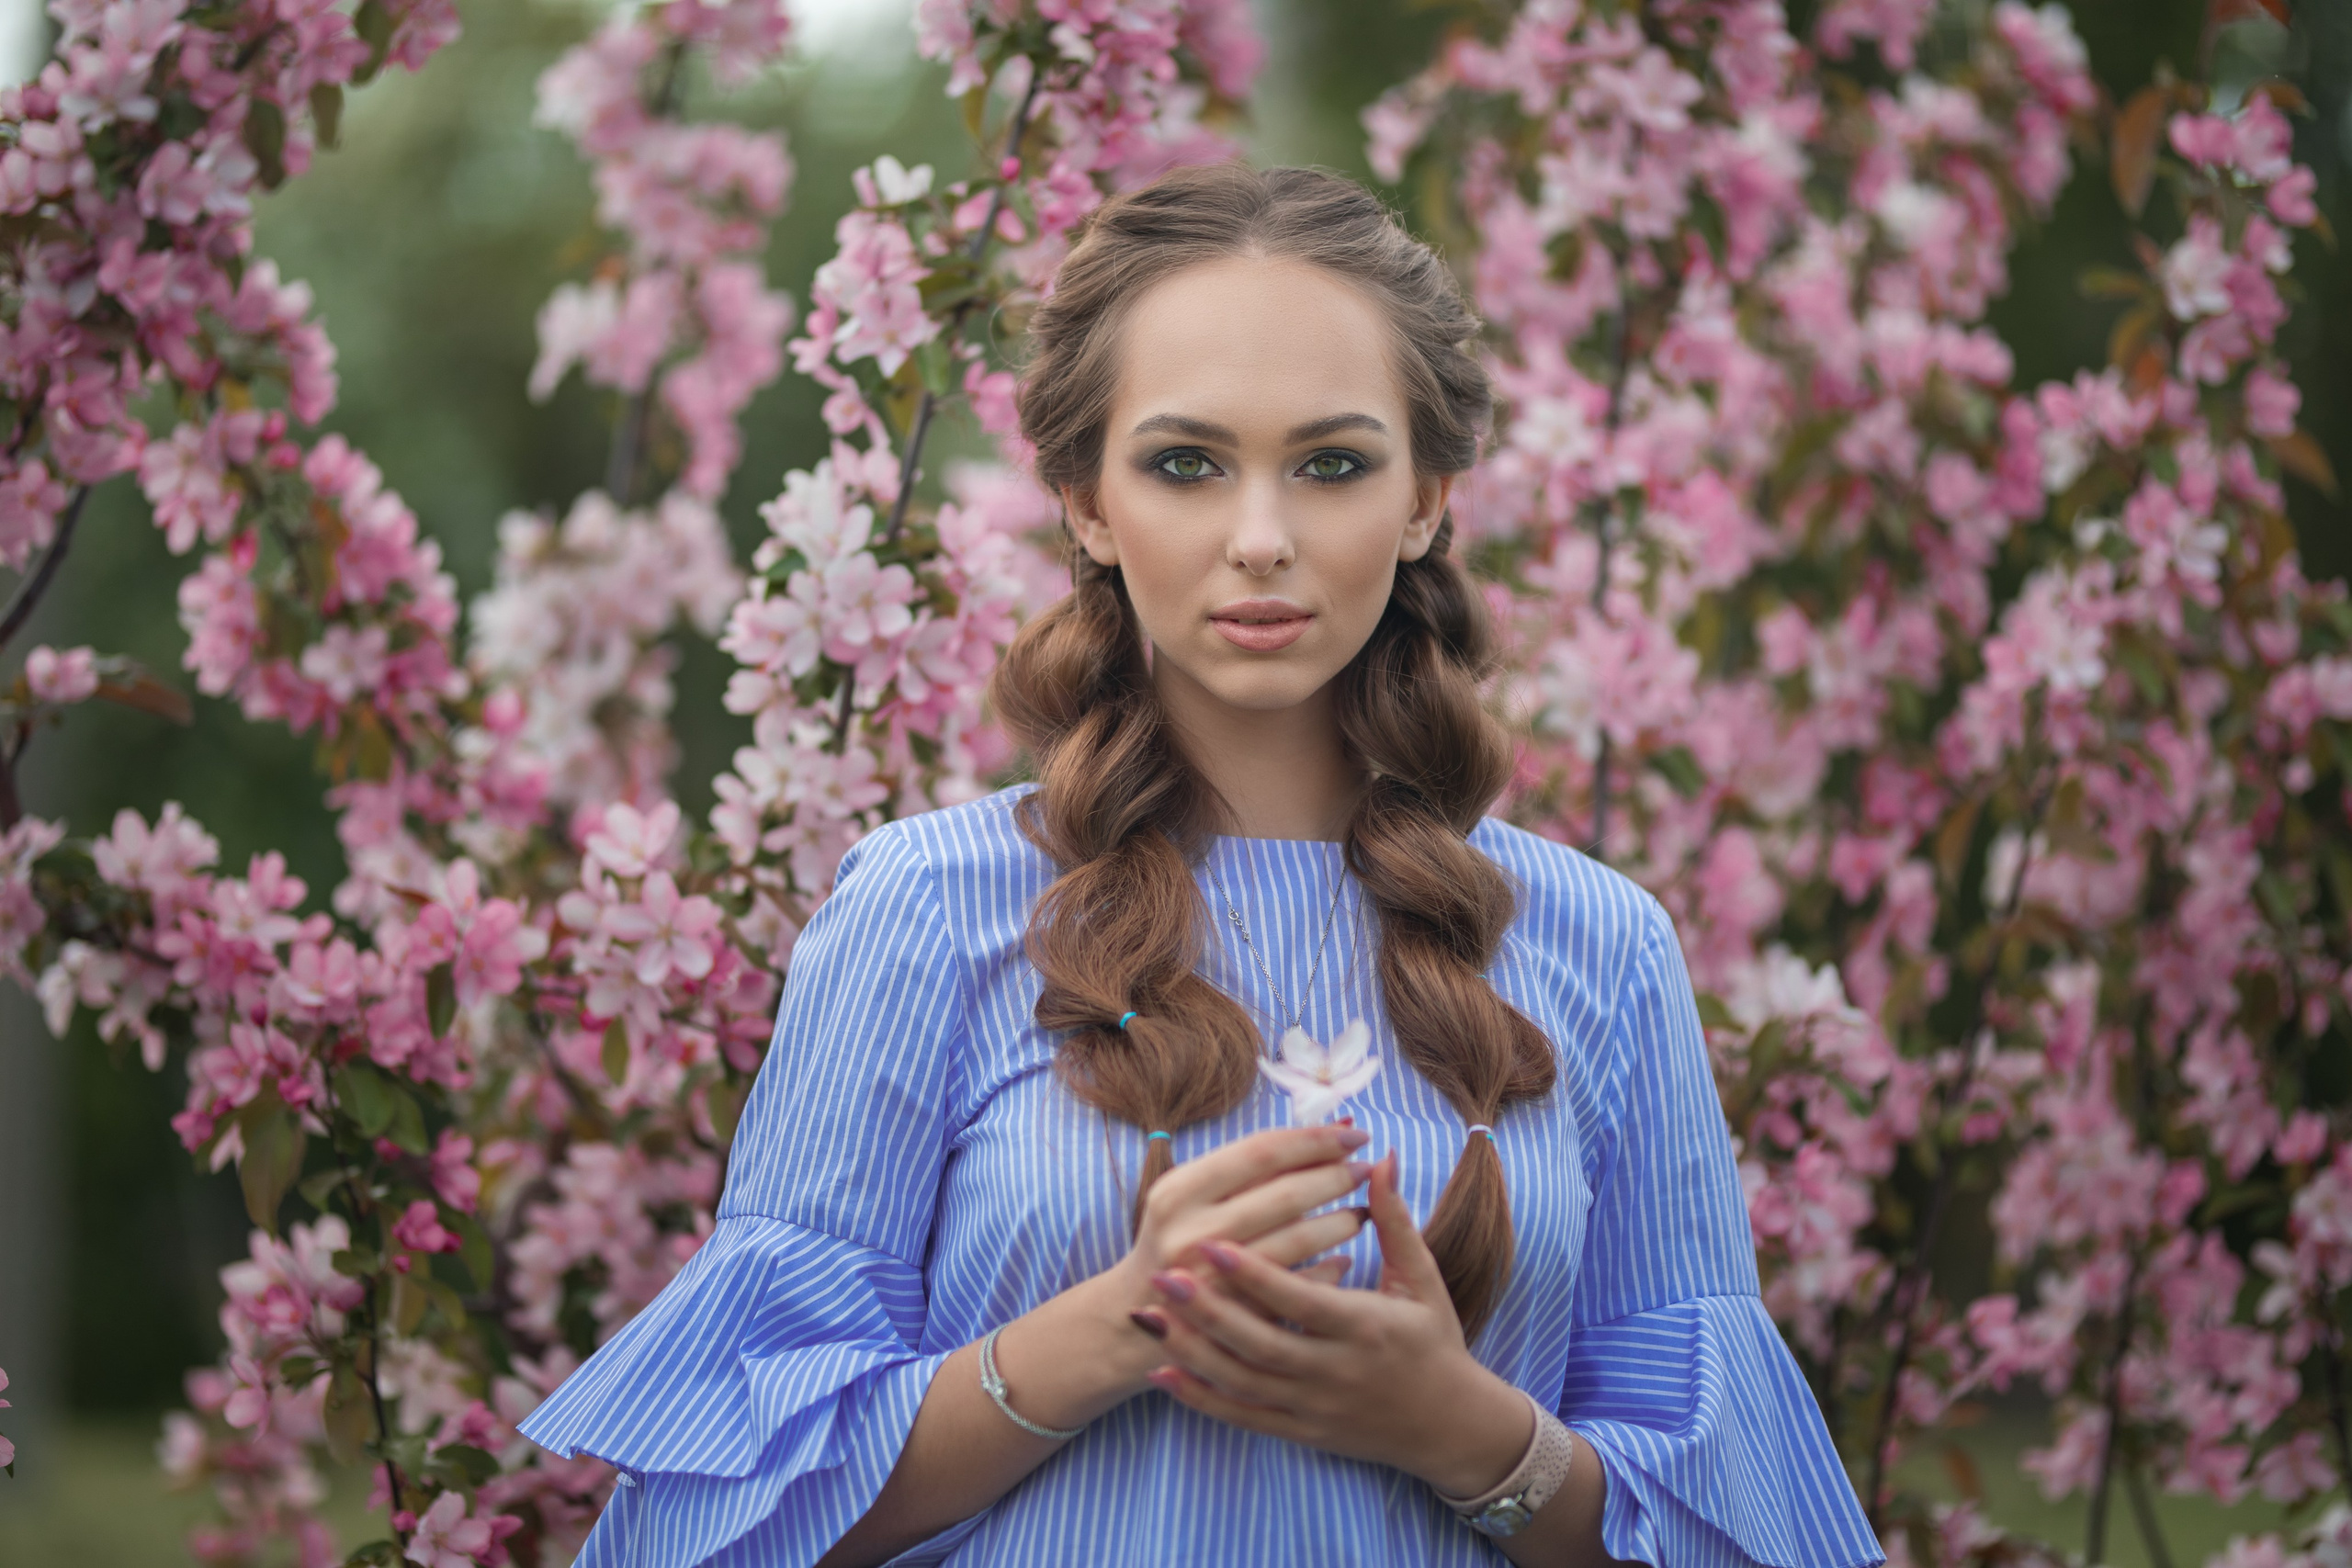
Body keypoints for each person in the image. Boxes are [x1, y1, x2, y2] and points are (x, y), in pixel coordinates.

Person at [520, 161, 1884, 1568]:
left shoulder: (1600, 944)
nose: (1261, 541)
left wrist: (1461, 1432)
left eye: (1333, 465)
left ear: (1427, 499)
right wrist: (1110, 1331)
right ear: (1086, 503)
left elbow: (1738, 1540)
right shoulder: (922, 911)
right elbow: (718, 1522)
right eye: (1186, 464)